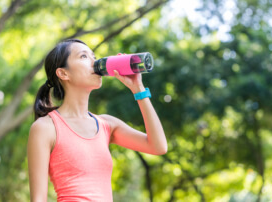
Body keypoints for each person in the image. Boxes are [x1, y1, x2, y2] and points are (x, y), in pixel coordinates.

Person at [27, 39, 167, 202]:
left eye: (94, 56)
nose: (95, 62)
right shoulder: (45, 128)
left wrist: (139, 89)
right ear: (63, 73)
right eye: (84, 56)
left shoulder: (106, 124)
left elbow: (158, 146)